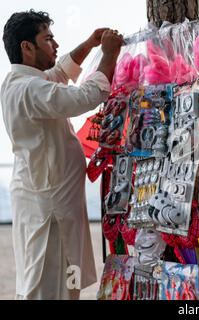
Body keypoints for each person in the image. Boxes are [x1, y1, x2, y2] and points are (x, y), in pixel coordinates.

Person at [1, 10, 123, 300]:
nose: (55, 45)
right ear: (26, 47)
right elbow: (85, 97)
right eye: (48, 39)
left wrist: (89, 45)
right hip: (50, 212)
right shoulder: (29, 89)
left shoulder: (22, 82)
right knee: (48, 287)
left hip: (51, 204)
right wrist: (109, 55)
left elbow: (57, 74)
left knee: (65, 282)